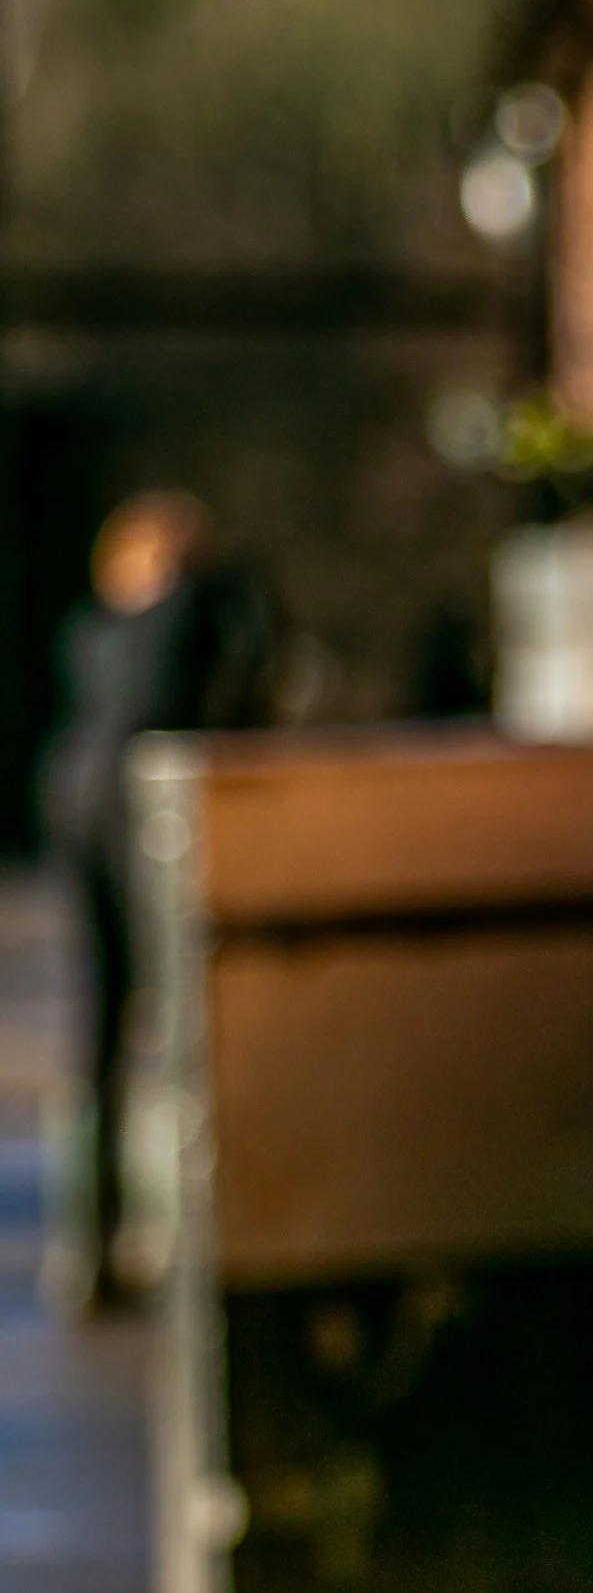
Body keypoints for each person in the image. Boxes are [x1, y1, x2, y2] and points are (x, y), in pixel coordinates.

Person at [39, 491, 274, 1309]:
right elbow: (253, 675)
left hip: (74, 789)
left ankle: (91, 1233)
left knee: (102, 1021)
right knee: (176, 1009)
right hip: (145, 803)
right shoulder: (202, 605)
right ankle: (179, 1225)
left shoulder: (94, 623)